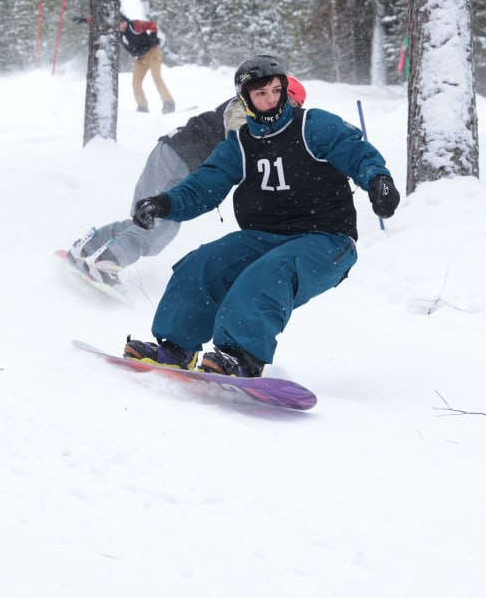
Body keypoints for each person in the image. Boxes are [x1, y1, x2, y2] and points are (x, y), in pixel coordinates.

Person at [122, 55, 399, 378]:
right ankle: (176, 348)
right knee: (202, 263)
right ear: (245, 99)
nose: (270, 99)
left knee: (268, 274)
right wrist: (164, 204)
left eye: (276, 90)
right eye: (260, 93)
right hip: (264, 238)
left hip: (326, 239)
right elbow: (203, 187)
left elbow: (355, 152)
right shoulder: (240, 144)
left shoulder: (314, 125)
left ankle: (242, 357)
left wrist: (378, 180)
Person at [68, 77, 308, 287]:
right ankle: (105, 263)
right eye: (288, 101)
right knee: (158, 229)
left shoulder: (264, 115)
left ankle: (89, 246)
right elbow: (241, 140)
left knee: (147, 218)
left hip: (175, 154)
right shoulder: (248, 107)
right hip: (179, 158)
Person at [119, 15, 174, 114]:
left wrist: (153, 35)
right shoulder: (119, 34)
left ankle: (169, 103)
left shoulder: (135, 25)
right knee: (136, 82)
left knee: (156, 77)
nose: (121, 26)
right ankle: (142, 106)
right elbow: (97, 20)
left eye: (122, 22)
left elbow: (152, 25)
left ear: (126, 21)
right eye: (118, 24)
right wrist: (84, 20)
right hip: (140, 58)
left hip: (152, 52)